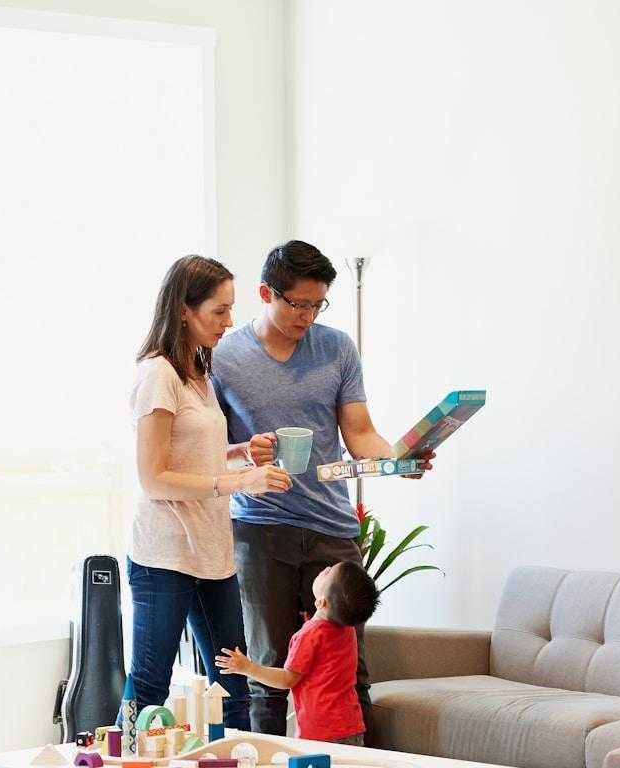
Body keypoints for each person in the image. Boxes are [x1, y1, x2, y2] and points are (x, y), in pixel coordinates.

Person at [211, 240, 434, 736]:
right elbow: (207, 448)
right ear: (267, 292)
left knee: (349, 673)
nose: (308, 316)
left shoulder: (336, 347)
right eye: (298, 304)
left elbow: (359, 432)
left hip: (332, 530)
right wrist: (247, 450)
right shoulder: (224, 357)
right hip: (260, 528)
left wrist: (397, 462)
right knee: (267, 671)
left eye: (318, 304)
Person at [122, 255, 292, 730]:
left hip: (213, 555)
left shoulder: (197, 371)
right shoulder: (157, 374)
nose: (229, 321)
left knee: (232, 689)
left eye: (230, 309)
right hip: (166, 555)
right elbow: (154, 477)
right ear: (183, 309)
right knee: (150, 687)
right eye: (218, 310)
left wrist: (241, 453)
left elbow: (193, 458)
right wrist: (240, 482)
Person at [215, 561, 380, 745]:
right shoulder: (348, 629)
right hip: (352, 726)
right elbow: (327, 655)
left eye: (328, 572)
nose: (325, 568)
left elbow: (287, 679)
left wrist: (248, 668)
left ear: (321, 602)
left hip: (320, 734)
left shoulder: (308, 636)